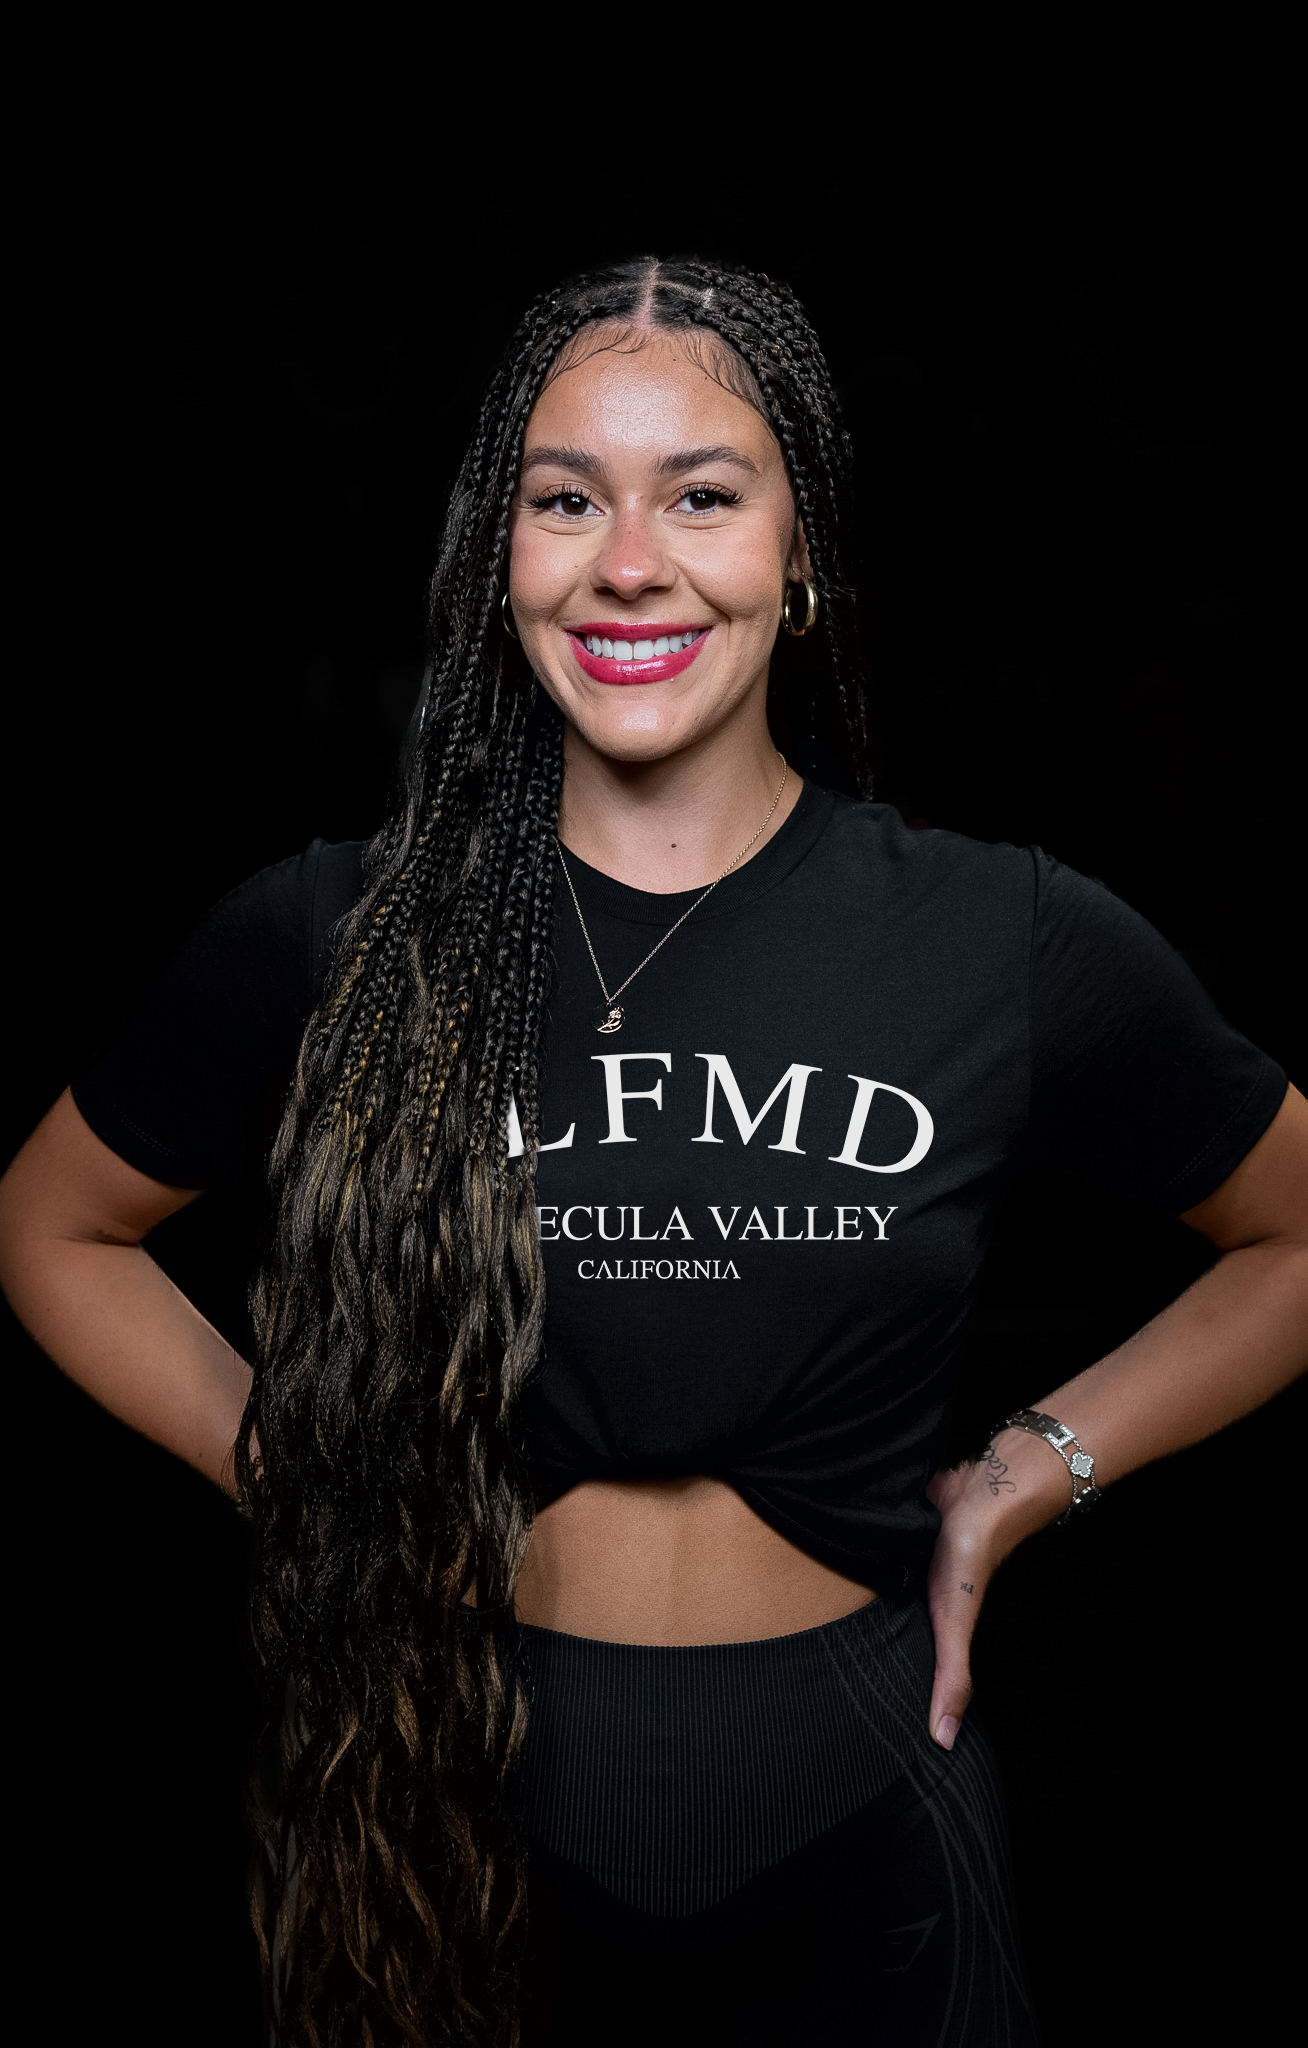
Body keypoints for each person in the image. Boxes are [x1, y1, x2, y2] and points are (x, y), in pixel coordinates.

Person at [1, 256, 1303, 2048]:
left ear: (803, 549)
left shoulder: (995, 936)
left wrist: (1027, 1469)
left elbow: (1295, 1234)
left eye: (702, 492)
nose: (629, 561)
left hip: (863, 1803)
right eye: (566, 501)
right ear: (502, 557)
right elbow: (54, 1226)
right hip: (458, 1815)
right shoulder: (343, 937)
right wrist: (322, 1486)